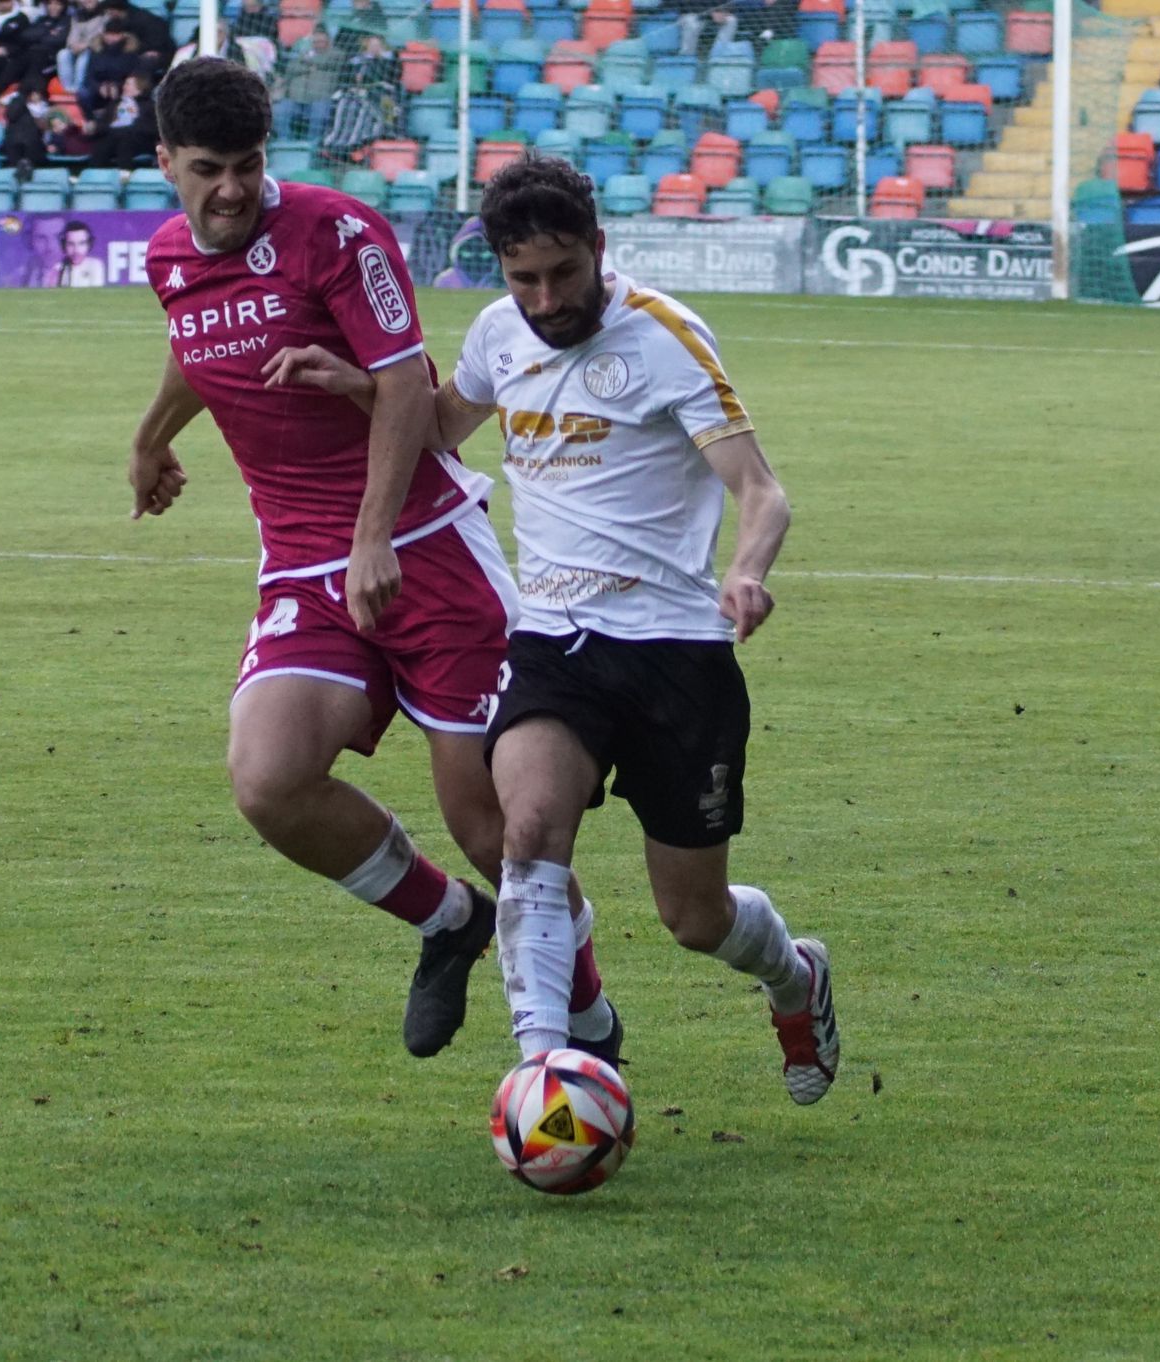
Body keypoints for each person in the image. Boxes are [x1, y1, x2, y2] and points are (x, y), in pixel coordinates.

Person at [265, 155, 839, 1104]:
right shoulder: (499, 333)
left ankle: (795, 976)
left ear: (598, 251)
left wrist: (745, 570)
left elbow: (761, 489)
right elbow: (443, 428)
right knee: (527, 834)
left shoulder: (665, 337)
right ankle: (546, 1074)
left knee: (692, 917)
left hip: (676, 655)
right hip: (554, 642)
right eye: (523, 277)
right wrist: (358, 386)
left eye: (563, 274)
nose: (544, 297)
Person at [128, 60, 618, 1064]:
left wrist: (370, 539)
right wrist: (150, 437)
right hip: (302, 568)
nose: (233, 188)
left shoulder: (337, 233)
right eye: (210, 169)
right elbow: (195, 343)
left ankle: (586, 1027)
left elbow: (405, 389)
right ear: (165, 161)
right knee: (268, 781)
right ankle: (448, 924)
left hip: (427, 554)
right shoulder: (171, 258)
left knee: (494, 828)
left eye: (250, 166)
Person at [269, 25, 339, 143]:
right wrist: (309, 66)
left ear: (328, 41)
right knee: (278, 111)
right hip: (295, 98)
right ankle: (285, 143)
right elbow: (290, 68)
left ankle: (312, 146)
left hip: (320, 98)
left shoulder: (336, 54)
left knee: (319, 116)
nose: (318, 44)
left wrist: (306, 61)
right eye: (315, 41)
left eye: (322, 41)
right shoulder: (304, 53)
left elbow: (327, 62)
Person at [85, 66, 153, 169]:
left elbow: (152, 129)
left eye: (128, 84)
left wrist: (127, 129)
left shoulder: (149, 106)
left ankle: (124, 172)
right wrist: (94, 127)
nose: (124, 87)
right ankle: (94, 174)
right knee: (103, 142)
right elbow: (104, 123)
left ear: (140, 87)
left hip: (138, 142)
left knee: (124, 136)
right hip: (112, 139)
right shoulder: (115, 104)